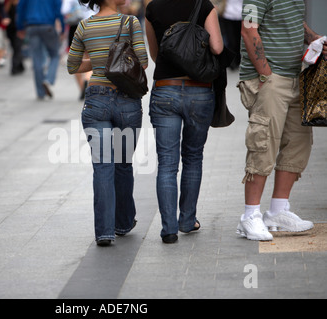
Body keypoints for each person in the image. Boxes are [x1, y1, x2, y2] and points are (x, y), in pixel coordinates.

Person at [236, 0, 327, 241]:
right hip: (270, 79)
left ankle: (277, 211)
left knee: (298, 142)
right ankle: (250, 215)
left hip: (296, 76)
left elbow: (295, 22)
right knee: (264, 142)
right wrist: (266, 75)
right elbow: (248, 29)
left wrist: (314, 38)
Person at [67, 0, 148, 246]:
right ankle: (122, 223)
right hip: (126, 102)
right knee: (123, 164)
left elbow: (72, 66)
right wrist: (115, 59)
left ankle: (104, 232)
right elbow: (142, 62)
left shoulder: (84, 26)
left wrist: (100, 62)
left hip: (95, 101)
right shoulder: (130, 22)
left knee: (102, 166)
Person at [145, 0, 223, 244]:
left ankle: (168, 229)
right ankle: (187, 220)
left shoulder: (153, 8)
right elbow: (218, 48)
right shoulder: (204, 5)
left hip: (165, 90)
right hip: (199, 91)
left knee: (167, 163)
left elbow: (155, 54)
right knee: (192, 157)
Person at [16, 0, 64, 100]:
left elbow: (20, 9)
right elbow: (59, 11)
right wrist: (63, 28)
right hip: (48, 25)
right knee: (55, 55)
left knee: (36, 59)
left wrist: (20, 26)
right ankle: (48, 79)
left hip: (31, 26)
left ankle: (40, 92)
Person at [61, 0, 94, 100]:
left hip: (75, 27)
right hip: (91, 24)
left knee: (75, 59)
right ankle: (87, 79)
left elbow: (64, 10)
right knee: (90, 57)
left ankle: (81, 87)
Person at [218, 0, 242, 69]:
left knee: (239, 40)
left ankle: (238, 59)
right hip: (228, 15)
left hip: (241, 16)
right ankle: (232, 61)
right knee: (230, 40)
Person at [4, 0, 25, 75]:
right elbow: (4, 13)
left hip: (19, 29)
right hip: (10, 29)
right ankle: (20, 65)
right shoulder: (8, 3)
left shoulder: (22, 3)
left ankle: (15, 67)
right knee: (15, 47)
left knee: (17, 47)